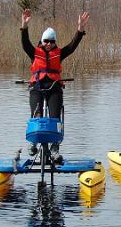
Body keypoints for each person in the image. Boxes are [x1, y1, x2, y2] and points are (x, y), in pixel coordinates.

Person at [21, 8, 89, 161]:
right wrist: (24, 26)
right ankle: (33, 142)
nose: (49, 44)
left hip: (54, 88)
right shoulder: (34, 52)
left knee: (55, 116)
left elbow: (72, 46)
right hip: (37, 87)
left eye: (52, 41)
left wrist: (80, 30)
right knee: (36, 113)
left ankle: (54, 147)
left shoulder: (59, 53)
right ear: (42, 41)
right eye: (46, 41)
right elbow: (25, 43)